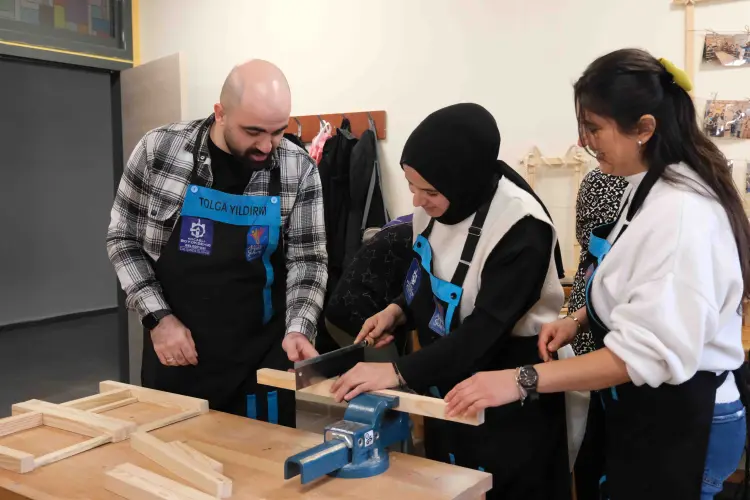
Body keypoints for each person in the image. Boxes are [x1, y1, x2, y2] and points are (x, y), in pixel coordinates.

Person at [443, 49, 749, 500]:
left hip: (685, 418)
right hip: (644, 408)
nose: (584, 142)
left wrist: (519, 379)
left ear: (645, 128)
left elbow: (642, 354)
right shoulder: (648, 182)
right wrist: (582, 317)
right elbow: (640, 286)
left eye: (594, 128)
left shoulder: (683, 214)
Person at [330, 103, 571, 500]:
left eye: (429, 191)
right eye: (411, 187)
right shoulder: (436, 205)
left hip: (507, 394)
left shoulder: (522, 229)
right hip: (446, 378)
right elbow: (425, 274)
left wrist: (397, 373)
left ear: (465, 181)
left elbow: (482, 333)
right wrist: (398, 310)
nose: (417, 202)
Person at [106, 60, 327, 423]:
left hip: (262, 358)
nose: (266, 145)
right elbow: (123, 239)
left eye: (277, 131)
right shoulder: (159, 151)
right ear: (220, 113)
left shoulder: (298, 168)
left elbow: (308, 260)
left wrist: (300, 327)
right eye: (253, 131)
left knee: (261, 466)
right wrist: (159, 319)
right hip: (177, 350)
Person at [568, 169, 627, 356]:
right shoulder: (602, 180)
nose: (582, 144)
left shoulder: (597, 178)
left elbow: (583, 235)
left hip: (591, 288)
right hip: (598, 300)